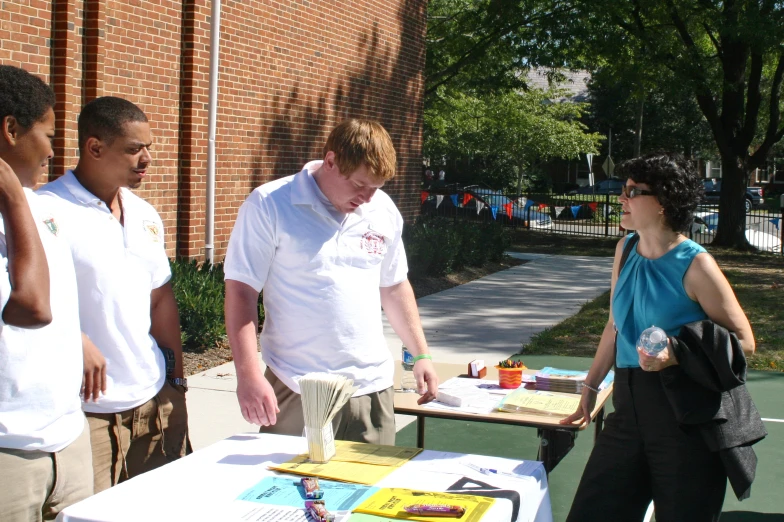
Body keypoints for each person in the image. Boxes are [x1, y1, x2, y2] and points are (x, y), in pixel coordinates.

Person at [561, 153, 755, 521]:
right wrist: (589, 388)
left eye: (633, 191)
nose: (621, 198)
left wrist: (678, 352)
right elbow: (614, 325)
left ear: (664, 203)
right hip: (629, 410)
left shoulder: (695, 264)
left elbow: (744, 340)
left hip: (685, 418)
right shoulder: (625, 249)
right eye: (623, 189)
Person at [224, 119, 439, 444]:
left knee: (368, 491)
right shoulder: (270, 204)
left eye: (376, 188)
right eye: (359, 185)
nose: (367, 198)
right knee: (291, 492)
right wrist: (249, 374)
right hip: (297, 383)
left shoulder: (382, 210)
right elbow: (241, 292)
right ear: (331, 161)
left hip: (371, 387)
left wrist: (421, 354)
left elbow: (394, 287)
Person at [38, 96, 190, 493]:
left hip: (153, 399)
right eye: (134, 149)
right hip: (85, 413)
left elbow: (160, 300)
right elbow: (26, 303)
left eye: (149, 148)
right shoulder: (45, 212)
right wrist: (74, 338)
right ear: (94, 147)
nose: (146, 159)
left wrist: (176, 381)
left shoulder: (144, 214)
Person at [0, 65, 92, 521]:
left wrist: (79, 341)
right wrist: (13, 200)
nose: (55, 153)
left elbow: (58, 306)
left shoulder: (44, 206)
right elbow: (32, 307)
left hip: (66, 436)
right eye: (49, 135)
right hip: (9, 454)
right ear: (11, 130)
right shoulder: (23, 204)